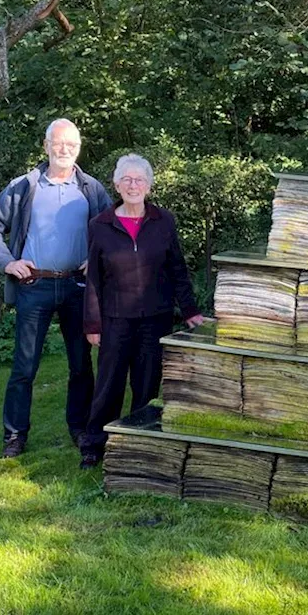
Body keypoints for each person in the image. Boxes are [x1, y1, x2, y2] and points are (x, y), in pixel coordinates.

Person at [0, 119, 113, 458]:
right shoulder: (25, 186)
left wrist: (95, 259)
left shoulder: (92, 189)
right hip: (34, 285)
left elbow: (111, 232)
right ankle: (14, 436)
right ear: (46, 146)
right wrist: (8, 262)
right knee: (25, 366)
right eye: (58, 143)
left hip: (78, 287)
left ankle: (81, 429)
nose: (65, 149)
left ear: (79, 148)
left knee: (81, 365)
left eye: (71, 144)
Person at [81, 154, 206, 467]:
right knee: (108, 384)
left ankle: (139, 443)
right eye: (127, 179)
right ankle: (95, 443)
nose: (133, 185)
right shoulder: (101, 226)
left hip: (155, 318)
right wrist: (92, 323)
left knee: (147, 383)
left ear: (149, 185)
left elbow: (177, 268)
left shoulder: (164, 221)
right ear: (116, 184)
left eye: (139, 179)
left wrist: (189, 310)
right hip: (114, 320)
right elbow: (94, 279)